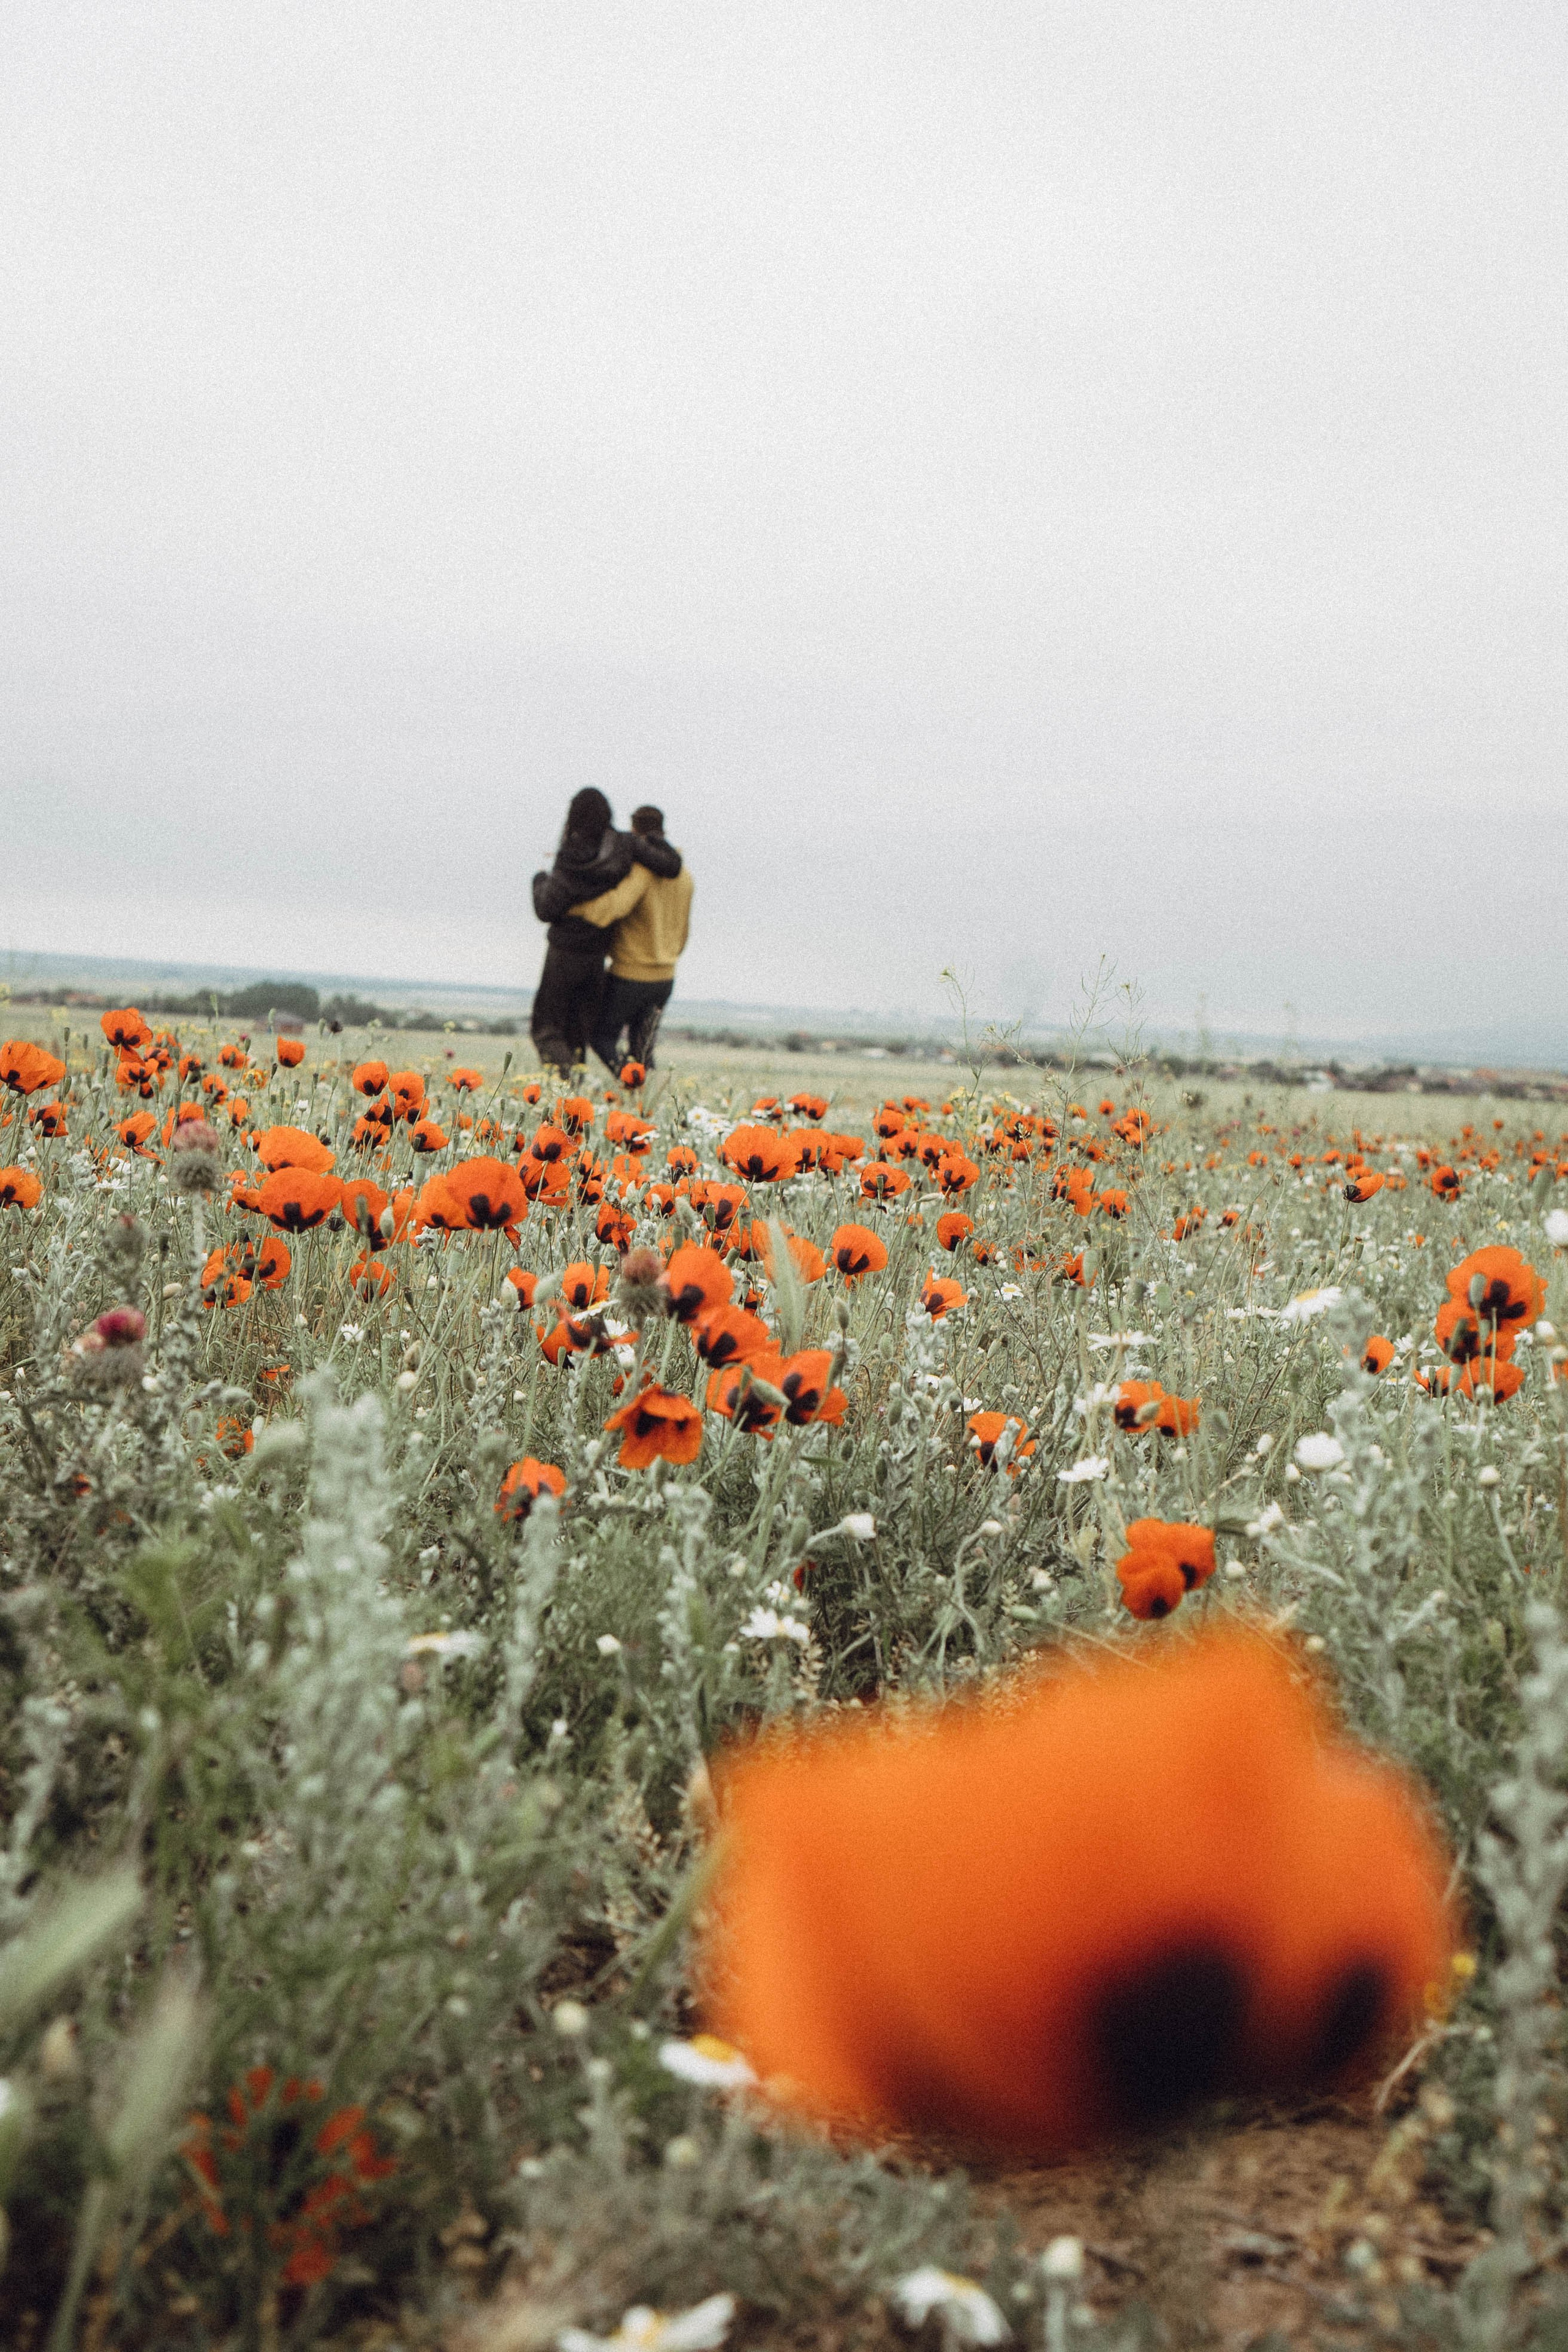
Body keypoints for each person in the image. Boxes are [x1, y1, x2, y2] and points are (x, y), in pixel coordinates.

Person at [529, 791, 682, 1072]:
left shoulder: (570, 858)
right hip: (597, 957)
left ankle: (564, 1087)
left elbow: (546, 910)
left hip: (564, 954)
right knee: (577, 1032)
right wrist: (656, 837)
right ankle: (576, 1102)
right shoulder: (625, 845)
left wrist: (540, 879)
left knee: (546, 1030)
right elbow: (671, 866)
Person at [568, 805, 693, 1072]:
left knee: (601, 1038)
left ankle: (632, 1084)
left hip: (630, 976)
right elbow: (683, 932)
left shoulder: (644, 871)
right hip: (666, 977)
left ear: (635, 832)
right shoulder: (685, 877)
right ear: (664, 830)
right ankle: (646, 1103)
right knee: (643, 1049)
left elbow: (615, 907)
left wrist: (572, 908)